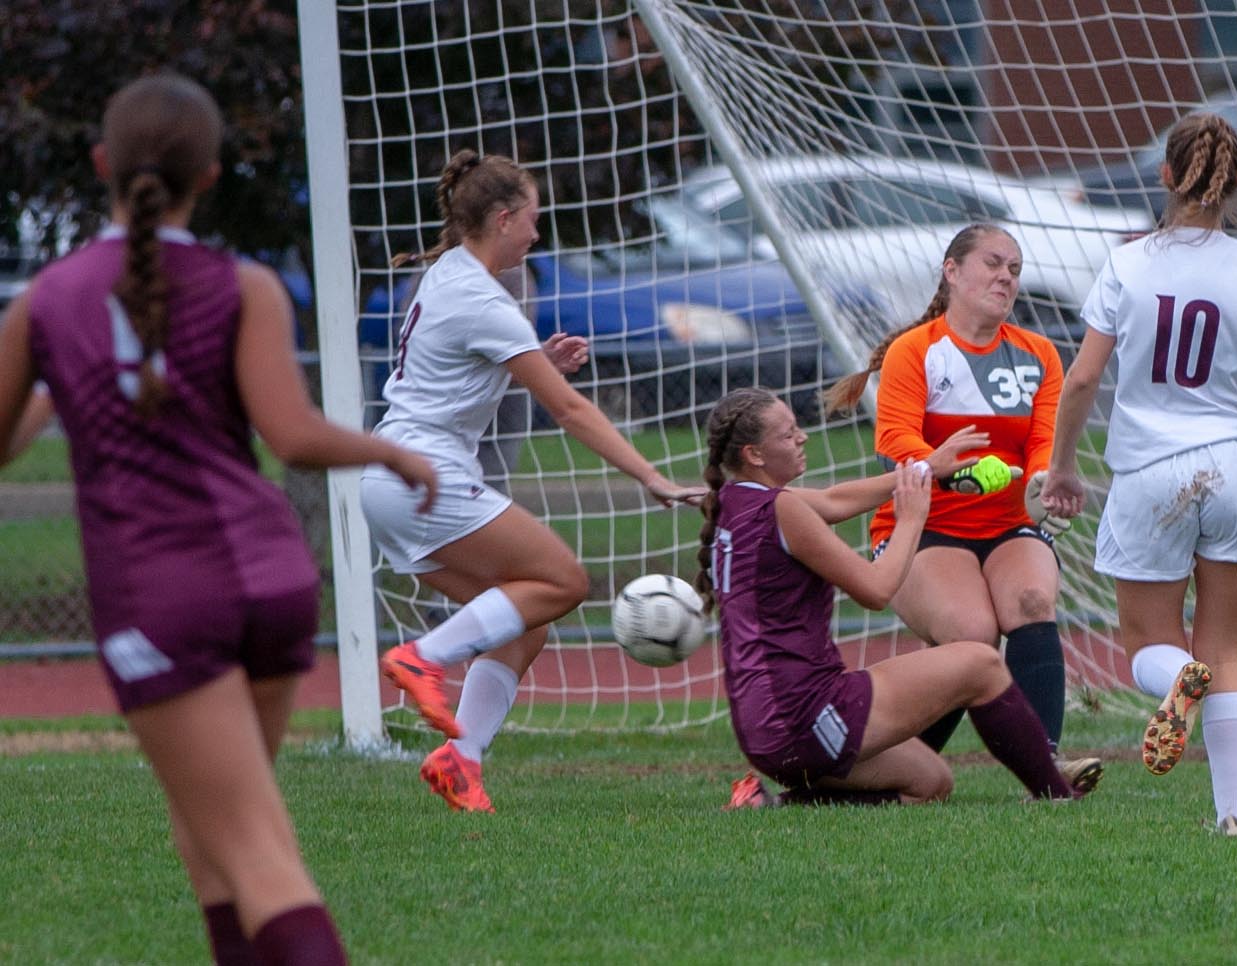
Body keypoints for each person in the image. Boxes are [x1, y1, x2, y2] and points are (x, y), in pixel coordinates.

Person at [0, 75, 438, 964]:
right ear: (208, 175)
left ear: (101, 165)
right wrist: (390, 452)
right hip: (273, 580)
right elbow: (294, 437)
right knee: (211, 833)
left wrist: (58, 381)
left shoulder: (47, 299)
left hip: (163, 597)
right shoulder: (246, 286)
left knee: (255, 852)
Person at [359, 149, 706, 812]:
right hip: (424, 476)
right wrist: (652, 477)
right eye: (532, 219)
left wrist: (537, 358)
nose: (537, 234)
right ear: (503, 218)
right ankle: (422, 656)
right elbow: (569, 410)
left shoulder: (449, 273)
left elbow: (455, 368)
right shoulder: (484, 298)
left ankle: (461, 761)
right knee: (564, 581)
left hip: (392, 479)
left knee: (525, 622)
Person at [1040, 111, 1237, 838]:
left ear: (1165, 176)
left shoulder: (1127, 265)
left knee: (1149, 643)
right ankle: (1234, 817)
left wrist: (1061, 465)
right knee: (1228, 651)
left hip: (1151, 472)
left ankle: (1176, 679)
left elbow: (1082, 379)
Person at [698, 388, 1087, 808]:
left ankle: (773, 804)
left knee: (930, 781)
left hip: (765, 730)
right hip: (804, 715)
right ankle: (1054, 794)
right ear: (754, 454)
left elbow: (833, 500)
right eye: (788, 433)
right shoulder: (782, 510)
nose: (802, 438)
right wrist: (912, 519)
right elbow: (876, 590)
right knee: (981, 663)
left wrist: (927, 468)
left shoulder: (732, 501)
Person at [820, 223, 1102, 793]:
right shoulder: (915, 350)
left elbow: (1045, 442)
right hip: (923, 527)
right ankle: (885, 771)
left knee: (1031, 600)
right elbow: (894, 442)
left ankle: (1046, 768)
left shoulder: (1038, 354)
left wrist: (1046, 482)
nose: (1006, 277)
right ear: (952, 271)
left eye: (1015, 269)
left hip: (1008, 525)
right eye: (993, 263)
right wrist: (945, 466)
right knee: (972, 633)